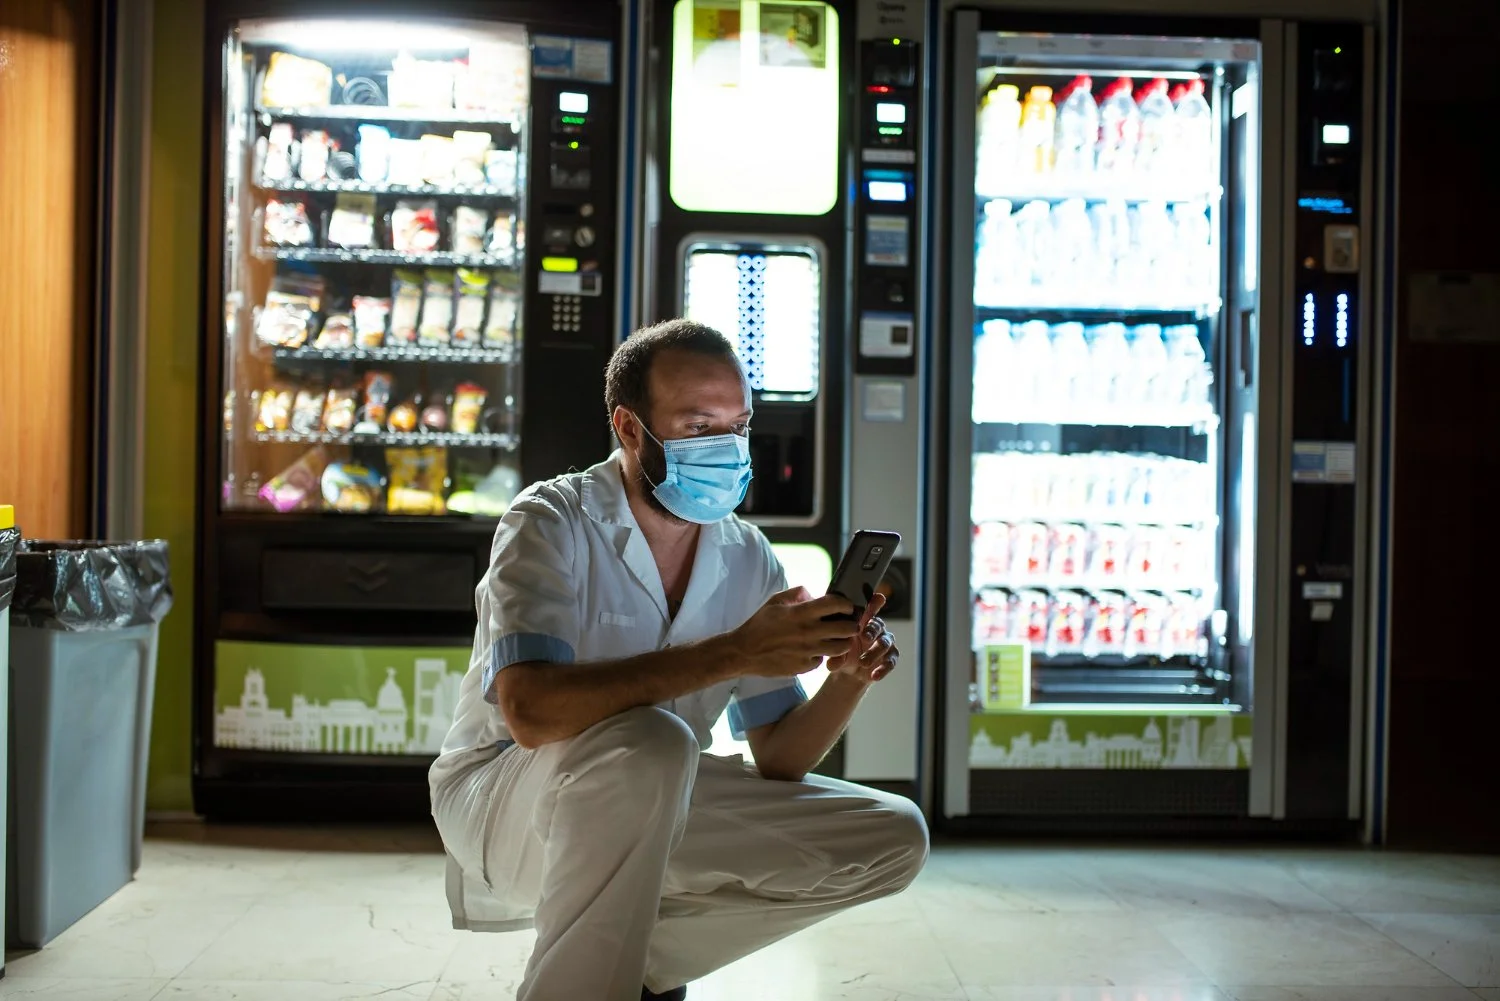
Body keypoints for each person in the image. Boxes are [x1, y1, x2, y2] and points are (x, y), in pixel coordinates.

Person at [429, 318, 929, 1001]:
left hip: (660, 790)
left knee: (893, 835)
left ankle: (618, 962)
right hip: (511, 795)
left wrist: (846, 680)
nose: (726, 448)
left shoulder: (746, 554)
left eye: (739, 425)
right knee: (653, 740)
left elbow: (780, 757)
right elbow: (531, 711)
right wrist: (732, 651)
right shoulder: (552, 519)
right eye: (699, 427)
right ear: (630, 429)